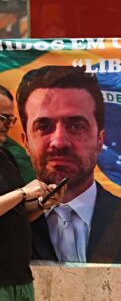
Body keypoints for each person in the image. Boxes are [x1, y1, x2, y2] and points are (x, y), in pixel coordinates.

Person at [16, 65, 121, 263]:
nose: (59, 142)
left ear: (100, 140)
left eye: (76, 126)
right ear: (26, 141)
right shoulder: (9, 226)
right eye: (44, 126)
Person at [0, 85, 62, 301]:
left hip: (20, 280)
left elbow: (17, 214)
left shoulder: (6, 156)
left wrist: (43, 204)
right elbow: (18, 197)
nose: (7, 126)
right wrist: (22, 193)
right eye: (2, 118)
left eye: (11, 120)